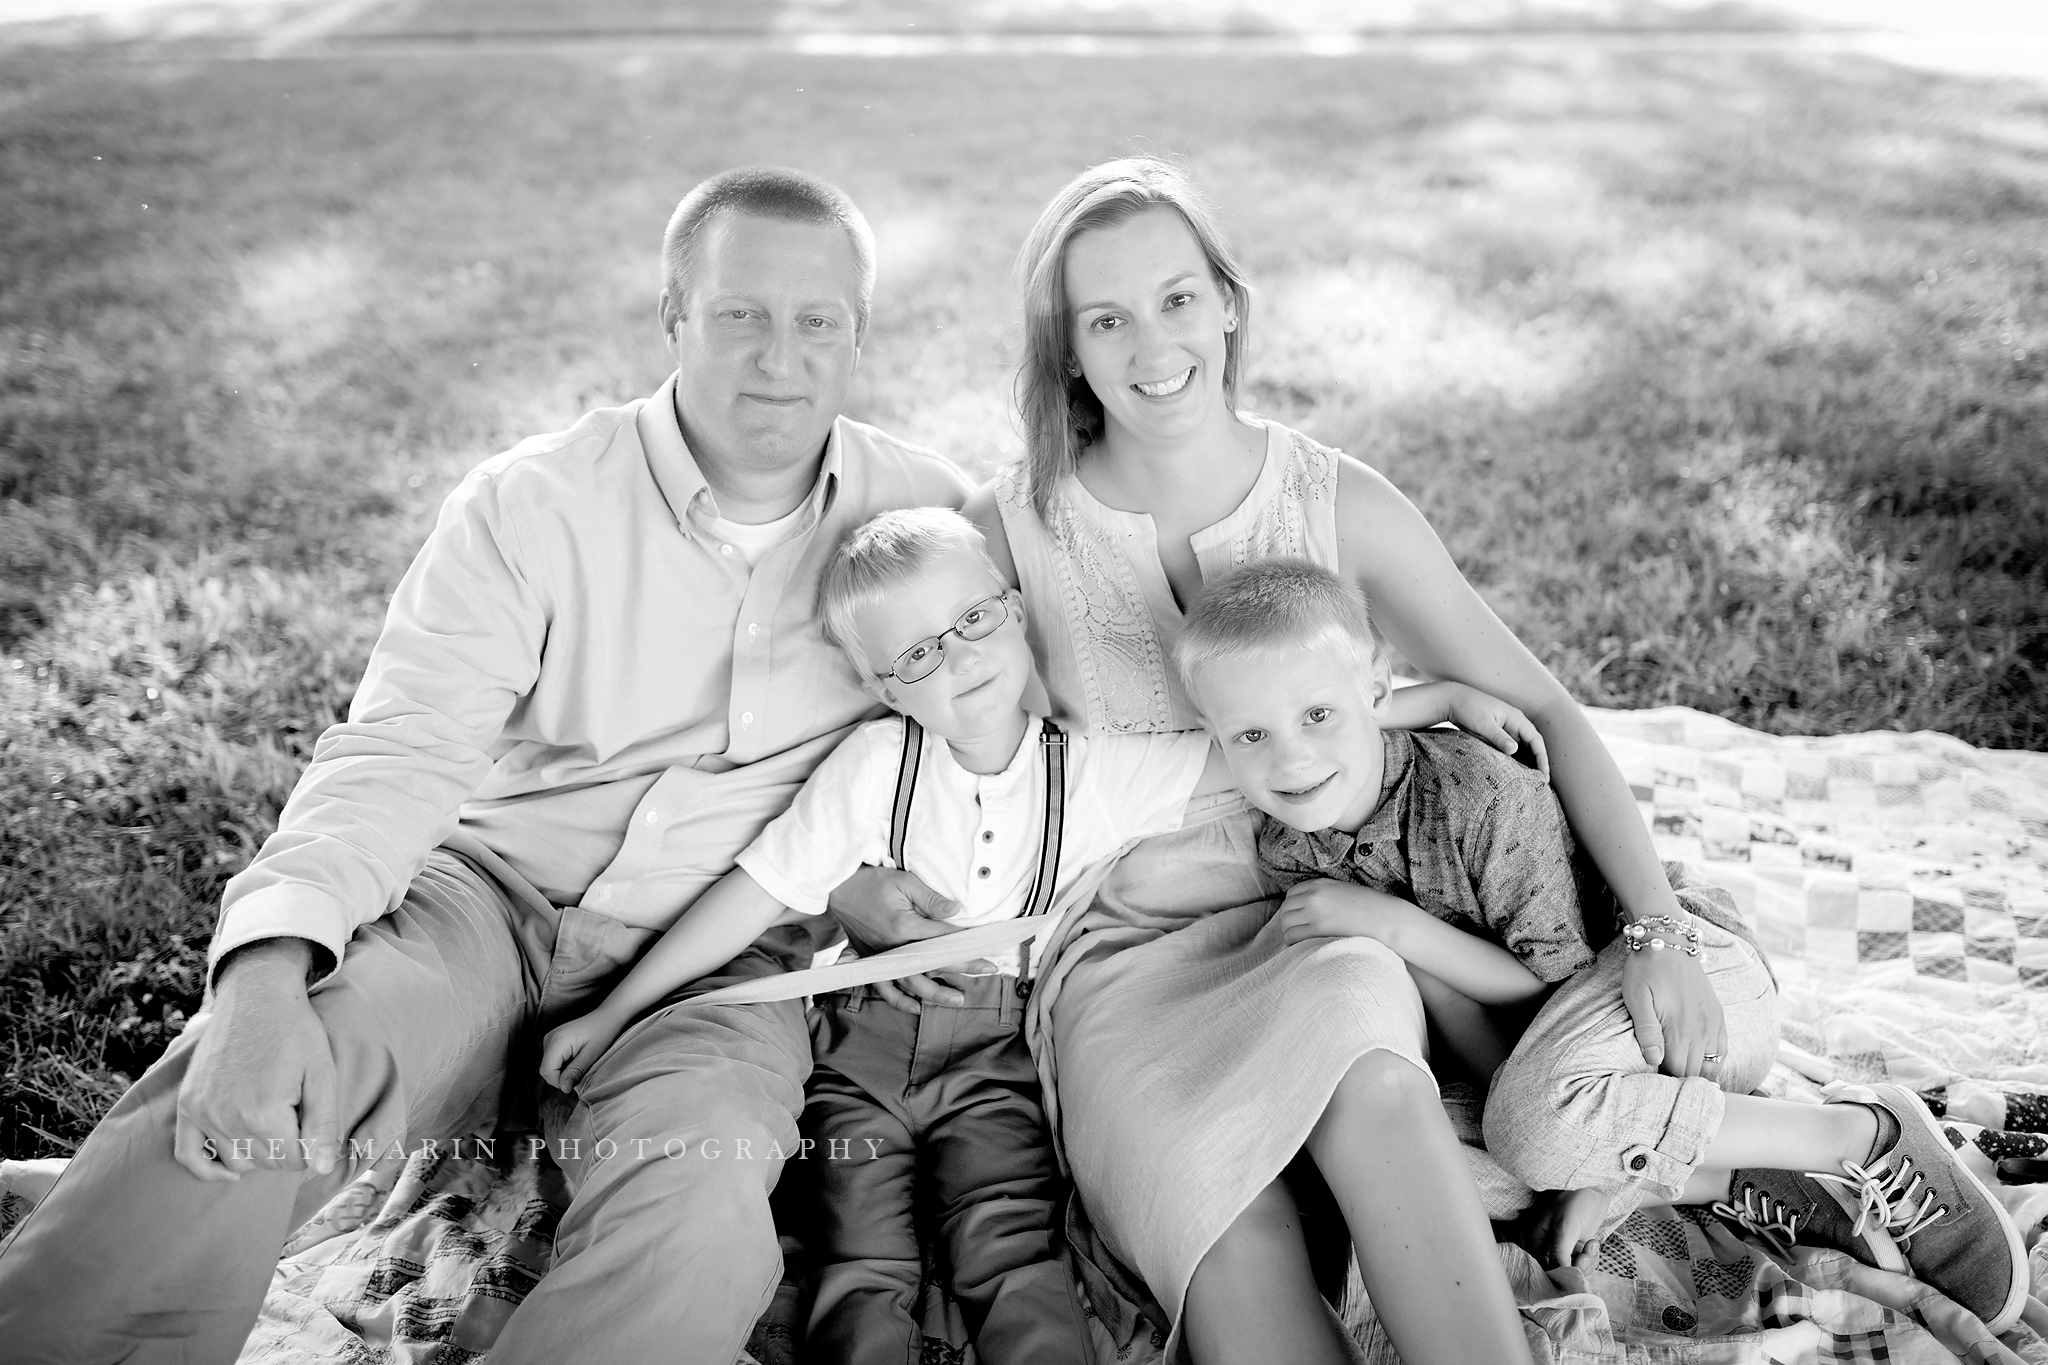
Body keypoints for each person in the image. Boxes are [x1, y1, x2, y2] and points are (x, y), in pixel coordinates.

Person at [0, 166, 977, 1365]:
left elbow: (988, 739)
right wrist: (259, 979)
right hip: (492, 904)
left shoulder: (930, 517)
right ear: (672, 316)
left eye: (816, 319)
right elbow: (401, 748)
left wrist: (867, 883)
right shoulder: (532, 503)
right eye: (739, 313)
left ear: (859, 333)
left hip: (718, 962)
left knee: (702, 1225)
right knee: (271, 1085)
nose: (779, 355)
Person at [1180, 557, 2033, 1337]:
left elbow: (1547, 990)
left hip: (1680, 990)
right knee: (1419, 1179)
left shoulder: (1478, 798)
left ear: (1374, 690)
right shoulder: (1298, 843)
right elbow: (1501, 1055)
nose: (1289, 759)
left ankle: (1863, 1135)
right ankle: (1740, 1168)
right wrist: (1569, 1171)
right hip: (1564, 1076)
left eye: (1317, 714)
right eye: (1249, 736)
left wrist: (1396, 928)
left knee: (1532, 1133)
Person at [544, 506, 1235, 1364]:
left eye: (974, 619)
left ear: (1014, 609)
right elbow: (752, 895)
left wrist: (1407, 702)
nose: (961, 656)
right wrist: (612, 1015)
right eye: (917, 654)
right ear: (886, 687)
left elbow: (1250, 749)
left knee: (1010, 1243)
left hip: (996, 1056)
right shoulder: (876, 768)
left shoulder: (1091, 772)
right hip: (857, 1048)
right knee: (859, 1253)